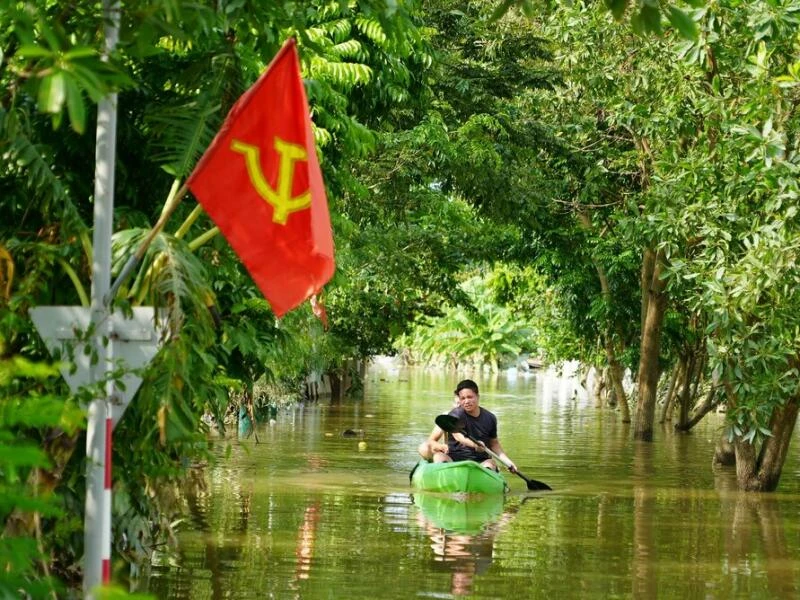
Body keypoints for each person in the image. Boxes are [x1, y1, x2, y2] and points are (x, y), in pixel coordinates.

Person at [432, 379, 517, 473]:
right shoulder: (455, 414)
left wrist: (507, 462)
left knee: (490, 463)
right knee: (438, 456)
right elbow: (459, 437)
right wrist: (475, 444)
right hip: (454, 459)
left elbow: (494, 444)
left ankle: (485, 475)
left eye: (470, 397)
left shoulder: (490, 418)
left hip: (480, 462)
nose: (466, 401)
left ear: (477, 396)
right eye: (463, 398)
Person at [417, 393, 461, 461]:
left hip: (468, 455)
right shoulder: (446, 416)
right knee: (424, 448)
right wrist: (442, 446)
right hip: (449, 454)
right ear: (453, 404)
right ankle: (437, 464)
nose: (458, 407)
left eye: (460, 404)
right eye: (456, 403)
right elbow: (431, 440)